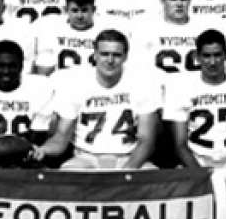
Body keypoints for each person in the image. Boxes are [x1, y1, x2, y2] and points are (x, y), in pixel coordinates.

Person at [37, 29, 160, 170]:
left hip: (129, 156)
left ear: (126, 57)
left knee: (151, 174)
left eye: (117, 55)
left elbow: (147, 141)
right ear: (95, 55)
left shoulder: (142, 83)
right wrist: (43, 150)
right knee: (71, 173)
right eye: (104, 54)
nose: (110, 60)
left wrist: (128, 170)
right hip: (86, 158)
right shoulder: (75, 83)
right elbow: (61, 138)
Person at [165, 28, 226, 196]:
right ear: (197, 57)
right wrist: (201, 176)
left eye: (217, 55)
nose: (212, 62)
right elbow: (180, 144)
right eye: (206, 56)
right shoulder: (180, 87)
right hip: (196, 160)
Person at [0, 40, 55, 148]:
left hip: (26, 156)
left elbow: (38, 137)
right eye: (0, 66)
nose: (6, 71)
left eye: (12, 66)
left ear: (21, 66)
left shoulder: (40, 88)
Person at [35, 0, 120, 74]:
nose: (79, 16)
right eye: (74, 10)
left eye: (84, 10)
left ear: (94, 9)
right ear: (65, 10)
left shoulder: (106, 33)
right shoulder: (52, 29)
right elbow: (43, 72)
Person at [139, 0, 207, 75]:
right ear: (162, 1)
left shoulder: (202, 30)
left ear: (190, 1)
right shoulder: (148, 32)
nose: (179, 4)